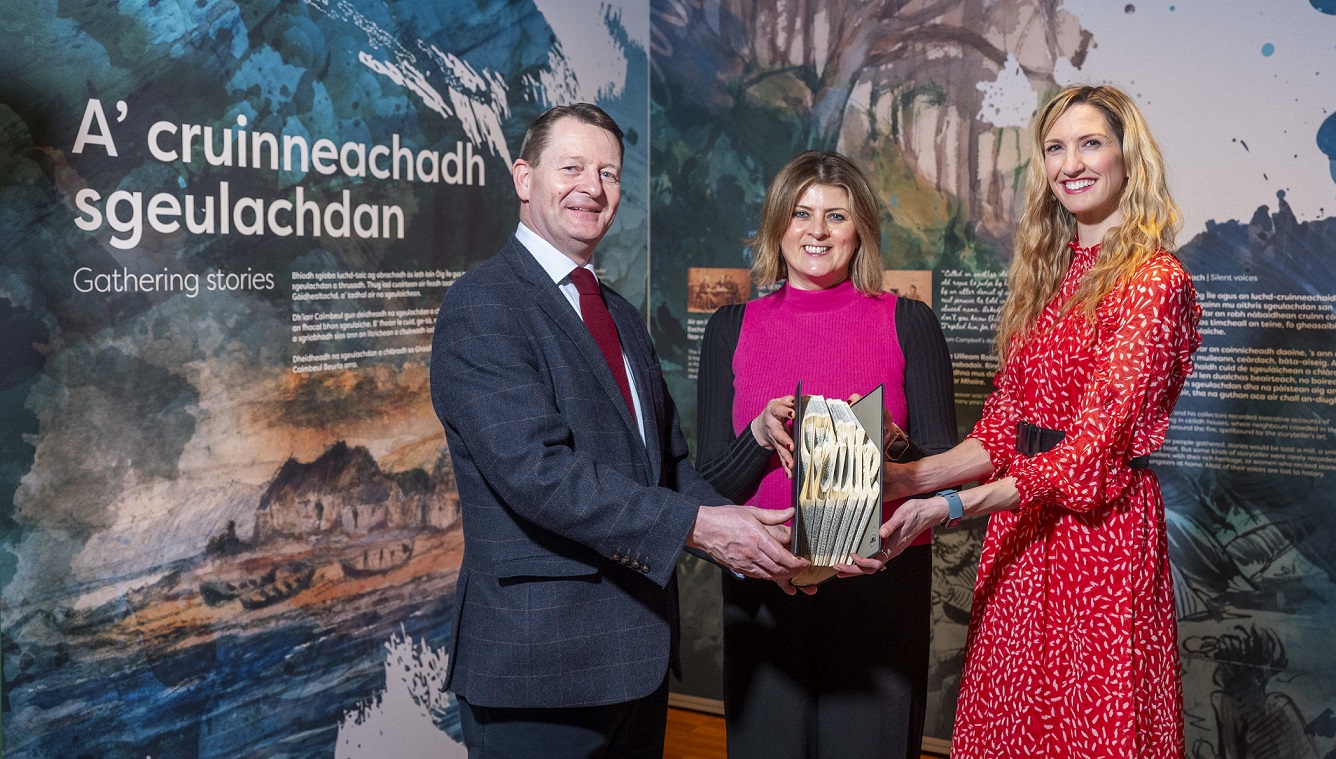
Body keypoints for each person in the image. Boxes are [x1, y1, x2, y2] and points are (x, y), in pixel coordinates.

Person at [430, 103, 809, 759]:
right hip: (539, 672)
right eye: (571, 167)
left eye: (609, 172)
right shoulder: (483, 304)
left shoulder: (620, 315)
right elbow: (539, 476)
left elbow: (670, 468)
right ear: (524, 178)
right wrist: (698, 528)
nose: (593, 187)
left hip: (636, 661)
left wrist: (766, 538)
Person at [837, 84, 1201, 758]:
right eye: (1055, 148)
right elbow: (1006, 426)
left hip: (1100, 539)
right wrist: (901, 479)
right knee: (1011, 723)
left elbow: (1094, 448)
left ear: (1129, 157)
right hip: (1025, 530)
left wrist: (947, 506)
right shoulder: (1047, 272)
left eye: (1090, 143)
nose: (1071, 163)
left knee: (1088, 728)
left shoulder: (1153, 280)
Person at [695, 150, 958, 759]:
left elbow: (949, 468)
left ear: (860, 226)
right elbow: (707, 486)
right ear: (776, 226)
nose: (817, 231)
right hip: (764, 582)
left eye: (835, 215)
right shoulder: (729, 327)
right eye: (801, 213)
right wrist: (757, 436)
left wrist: (894, 443)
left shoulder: (910, 322)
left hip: (879, 588)